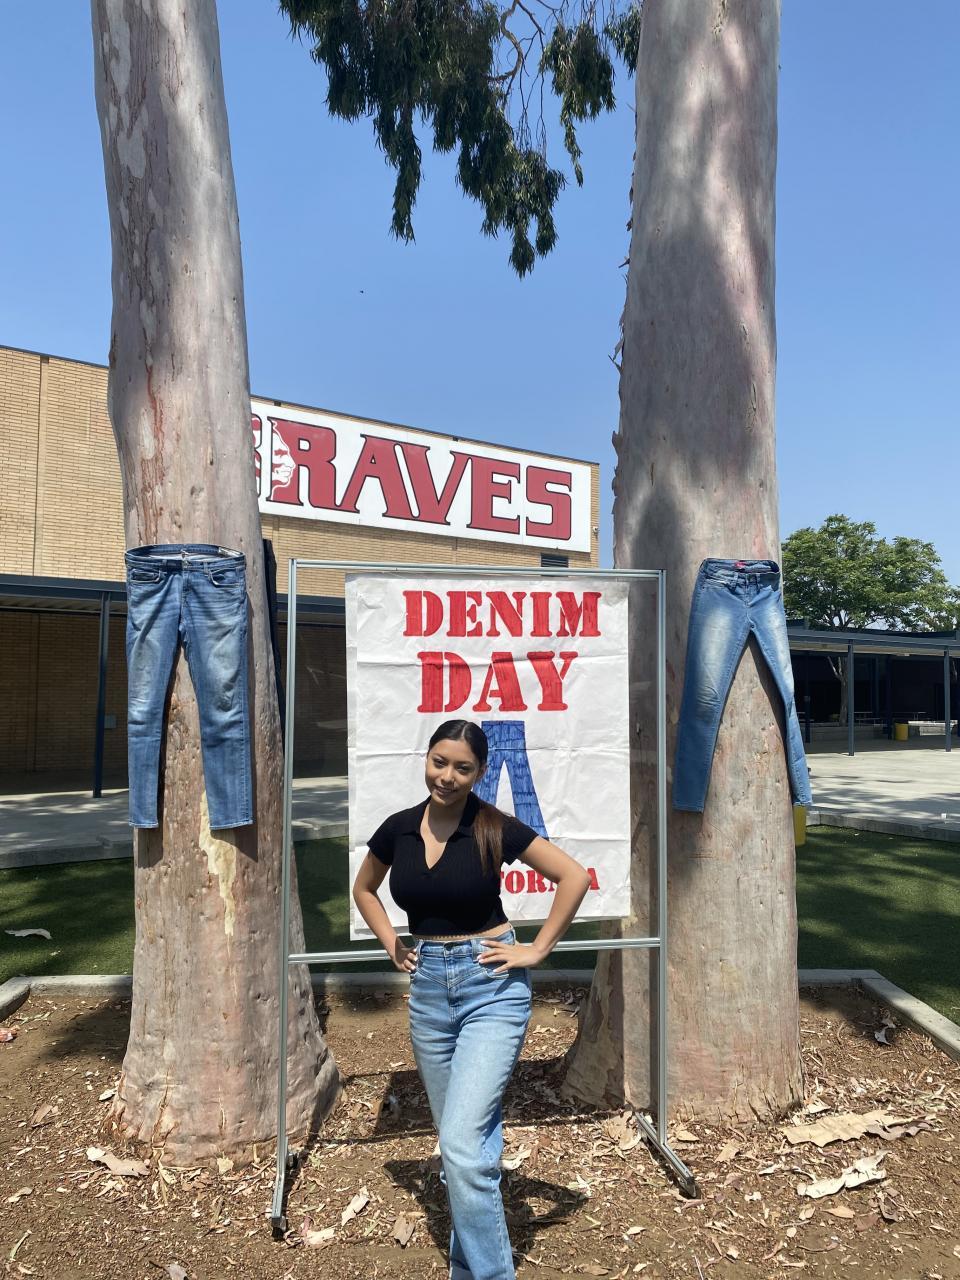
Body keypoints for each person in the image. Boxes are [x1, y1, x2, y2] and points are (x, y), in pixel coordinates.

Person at [352, 718, 591, 1280]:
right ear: (427, 759)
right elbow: (364, 889)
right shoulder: (398, 829)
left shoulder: (492, 827)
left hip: (491, 988)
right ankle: (468, 1264)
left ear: (480, 772)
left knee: (459, 1145)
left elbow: (574, 877)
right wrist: (391, 942)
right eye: (439, 762)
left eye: (462, 768)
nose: (447, 776)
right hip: (429, 994)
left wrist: (537, 949)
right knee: (468, 1144)